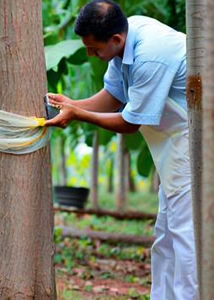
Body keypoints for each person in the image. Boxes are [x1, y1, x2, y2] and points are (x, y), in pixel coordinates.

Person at [45, 0, 198, 299]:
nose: (91, 55)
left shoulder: (151, 55)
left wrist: (78, 114)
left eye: (94, 49)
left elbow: (130, 122)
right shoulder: (126, 36)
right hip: (173, 145)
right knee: (166, 234)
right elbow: (113, 97)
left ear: (115, 40)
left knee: (185, 236)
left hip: (194, 141)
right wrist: (71, 104)